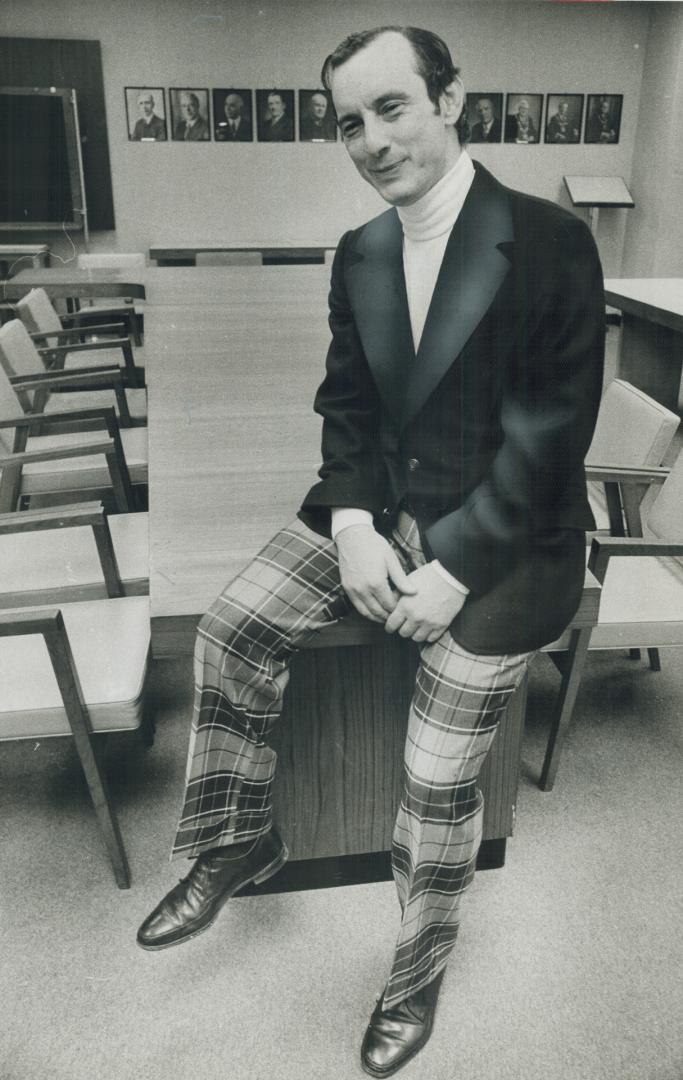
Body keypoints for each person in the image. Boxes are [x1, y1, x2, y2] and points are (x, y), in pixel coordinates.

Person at [137, 25, 604, 1076]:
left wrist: (451, 569)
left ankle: (415, 970)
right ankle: (240, 839)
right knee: (230, 628)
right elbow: (346, 409)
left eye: (390, 107)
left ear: (448, 99)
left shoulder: (548, 239)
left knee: (436, 780)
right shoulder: (359, 251)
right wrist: (349, 524)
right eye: (348, 122)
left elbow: (548, 434)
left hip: (509, 541)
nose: (369, 139)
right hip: (377, 513)